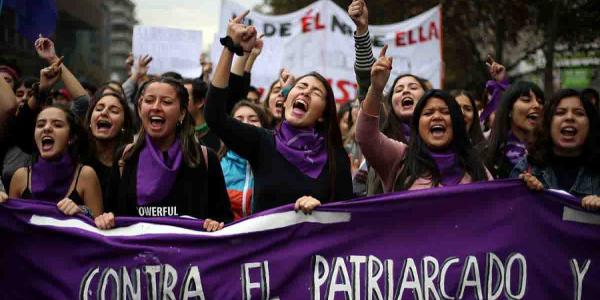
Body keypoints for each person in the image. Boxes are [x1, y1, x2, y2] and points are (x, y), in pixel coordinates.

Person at [206, 12, 352, 214]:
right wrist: (230, 47)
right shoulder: (262, 143)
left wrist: (322, 209)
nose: (306, 91)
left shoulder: (336, 157)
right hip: (266, 245)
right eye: (301, 86)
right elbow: (214, 116)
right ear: (285, 100)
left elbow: (346, 215)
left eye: (316, 91)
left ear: (322, 114)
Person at [95, 77, 232, 231]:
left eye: (166, 102)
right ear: (140, 109)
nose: (156, 107)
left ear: (181, 113)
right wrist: (105, 219)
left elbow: (224, 220)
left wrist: (215, 224)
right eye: (149, 100)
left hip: (188, 253)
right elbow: (110, 214)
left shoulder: (205, 158)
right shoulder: (125, 157)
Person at [356, 47, 490, 192]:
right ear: (417, 124)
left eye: (445, 112)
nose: (437, 117)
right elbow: (366, 136)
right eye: (428, 113)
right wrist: (376, 88)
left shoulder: (475, 165)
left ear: (456, 122)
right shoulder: (399, 158)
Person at [5, 105, 103, 217]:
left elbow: (98, 226)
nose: (46, 128)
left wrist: (82, 211)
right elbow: (12, 224)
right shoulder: (20, 177)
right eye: (40, 125)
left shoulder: (86, 175)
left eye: (57, 125)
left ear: (71, 137)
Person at [513, 89, 600, 210]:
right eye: (560, 112)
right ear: (548, 123)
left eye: (579, 113)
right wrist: (522, 189)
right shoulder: (527, 168)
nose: (569, 117)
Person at [484, 80, 544, 178]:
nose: (537, 105)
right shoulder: (487, 154)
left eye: (540, 102)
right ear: (510, 110)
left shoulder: (551, 153)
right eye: (526, 100)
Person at [221, 101, 270, 220]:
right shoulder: (217, 164)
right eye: (238, 119)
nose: (245, 124)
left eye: (253, 119)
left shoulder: (276, 163)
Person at [83, 91, 135, 203]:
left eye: (114, 111)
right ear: (90, 121)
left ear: (124, 125)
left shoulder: (130, 162)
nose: (104, 112)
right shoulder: (76, 155)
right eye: (98, 109)